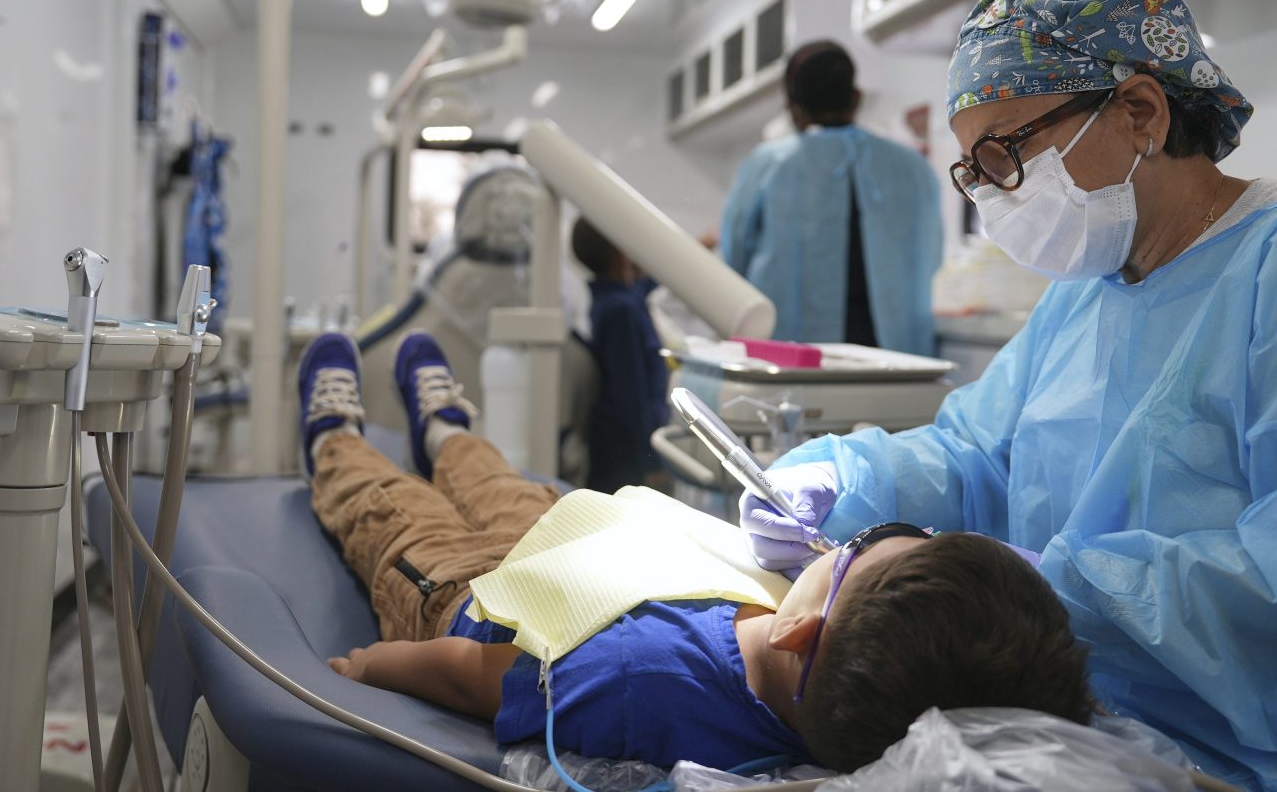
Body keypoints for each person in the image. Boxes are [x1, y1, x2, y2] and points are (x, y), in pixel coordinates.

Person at [737, 0, 1277, 792]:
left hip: (1264, 766)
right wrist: (847, 481)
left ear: (1140, 112)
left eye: (1005, 155)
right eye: (972, 171)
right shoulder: (1085, 294)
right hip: (1071, 735)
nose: (992, 193)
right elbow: (981, 457)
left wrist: (1047, 590)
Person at [296, 329, 1093, 773]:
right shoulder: (834, 685)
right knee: (496, 476)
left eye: (849, 549)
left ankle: (337, 438)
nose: (834, 542)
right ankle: (448, 427)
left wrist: (373, 671)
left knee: (390, 511)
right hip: (572, 538)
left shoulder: (637, 679)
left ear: (799, 629)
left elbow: (472, 677)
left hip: (477, 594)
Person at [718, 41, 943, 355]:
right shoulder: (914, 168)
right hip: (895, 356)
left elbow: (734, 261)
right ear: (857, 97)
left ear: (793, 107)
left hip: (793, 356)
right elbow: (932, 256)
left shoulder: (768, 164)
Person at [570, 218, 669, 493]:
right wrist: (652, 464)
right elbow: (633, 396)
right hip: (625, 452)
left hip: (619, 443)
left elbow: (649, 282)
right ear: (621, 251)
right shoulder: (621, 311)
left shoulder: (613, 297)